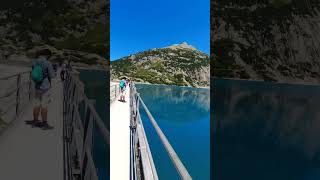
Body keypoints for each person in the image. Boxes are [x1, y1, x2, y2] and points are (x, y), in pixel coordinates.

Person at [30, 49, 55, 130]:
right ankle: (44, 124)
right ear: (47, 55)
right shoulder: (47, 63)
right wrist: (55, 72)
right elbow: (52, 75)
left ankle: (35, 121)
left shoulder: (34, 62)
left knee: (37, 104)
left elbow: (34, 72)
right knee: (44, 105)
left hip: (37, 86)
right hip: (45, 87)